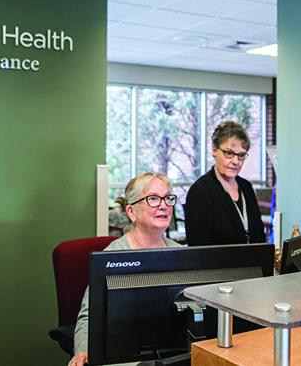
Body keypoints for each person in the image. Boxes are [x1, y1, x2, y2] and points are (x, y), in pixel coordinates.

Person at [68, 172, 182, 366]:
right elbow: (89, 315)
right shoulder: (112, 256)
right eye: (153, 199)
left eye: (167, 198)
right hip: (124, 355)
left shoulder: (181, 255)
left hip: (171, 352)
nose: (163, 205)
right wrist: (83, 349)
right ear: (131, 212)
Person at [185, 121, 266, 246]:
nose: (236, 161)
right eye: (229, 153)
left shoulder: (247, 187)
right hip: (219, 265)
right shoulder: (200, 191)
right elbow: (198, 248)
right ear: (214, 149)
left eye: (241, 155)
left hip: (253, 264)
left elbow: (260, 236)